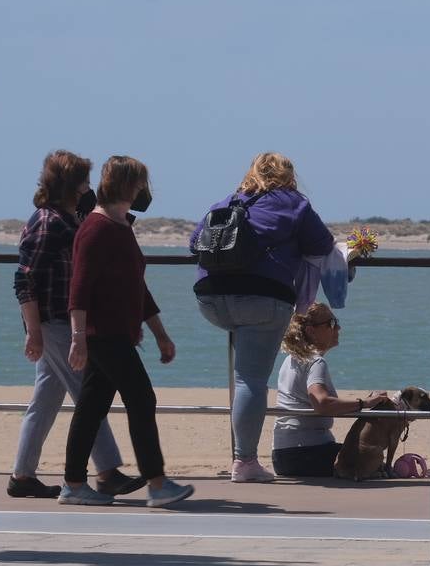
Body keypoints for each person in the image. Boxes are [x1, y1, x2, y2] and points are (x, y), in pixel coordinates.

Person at [191, 153, 335, 483]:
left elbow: (192, 243)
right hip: (262, 299)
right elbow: (323, 243)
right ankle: (244, 462)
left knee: (243, 370)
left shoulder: (227, 201)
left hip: (211, 298)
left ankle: (243, 456)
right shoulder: (294, 202)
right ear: (289, 175)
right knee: (250, 381)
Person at [9, 150, 144, 500]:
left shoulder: (71, 220)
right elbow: (25, 280)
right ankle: (107, 471)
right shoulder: (48, 222)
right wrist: (34, 331)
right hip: (54, 322)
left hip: (57, 321)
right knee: (91, 395)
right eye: (84, 181)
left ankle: (22, 475)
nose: (90, 187)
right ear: (70, 185)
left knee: (45, 401)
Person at [62, 155, 194, 508]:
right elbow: (79, 287)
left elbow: (138, 288)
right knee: (141, 398)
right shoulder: (96, 228)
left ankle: (74, 484)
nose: (144, 191)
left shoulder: (122, 227)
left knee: (91, 407)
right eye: (139, 184)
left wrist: (160, 333)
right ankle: (157, 483)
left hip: (119, 332)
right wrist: (77, 339)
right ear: (125, 185)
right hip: (103, 334)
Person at [271, 303, 390, 477]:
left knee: (369, 459)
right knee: (374, 461)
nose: (338, 328)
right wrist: (364, 403)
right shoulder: (315, 362)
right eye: (331, 323)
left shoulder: (291, 359)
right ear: (312, 331)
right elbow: (322, 403)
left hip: (282, 456)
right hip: (307, 454)